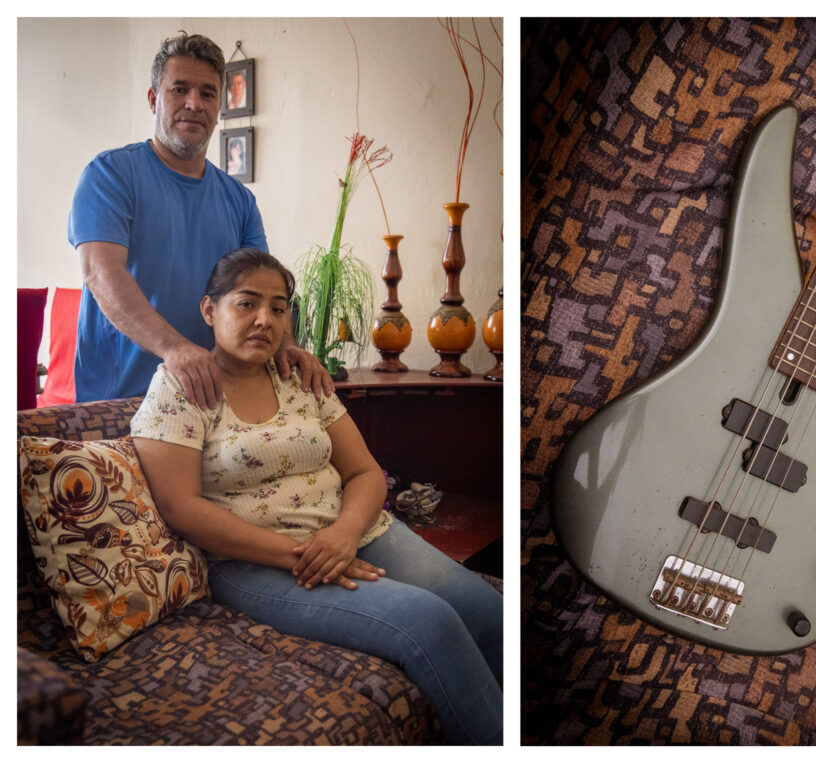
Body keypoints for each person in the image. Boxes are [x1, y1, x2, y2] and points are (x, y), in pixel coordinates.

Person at [130, 249, 504, 745]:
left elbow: (365, 472)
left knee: (487, 608)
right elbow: (182, 508)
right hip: (254, 562)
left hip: (357, 532)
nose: (265, 319)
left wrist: (345, 535)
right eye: (246, 304)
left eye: (279, 308)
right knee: (428, 623)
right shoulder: (180, 387)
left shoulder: (299, 376)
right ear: (209, 310)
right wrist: (309, 554)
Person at [68, 31, 330, 408]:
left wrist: (288, 346)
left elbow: (266, 291)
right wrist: (174, 348)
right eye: (179, 89)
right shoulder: (110, 174)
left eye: (207, 93)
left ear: (219, 106)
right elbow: (100, 273)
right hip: (119, 402)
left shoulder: (239, 199)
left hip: (207, 400)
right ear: (153, 99)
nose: (194, 103)